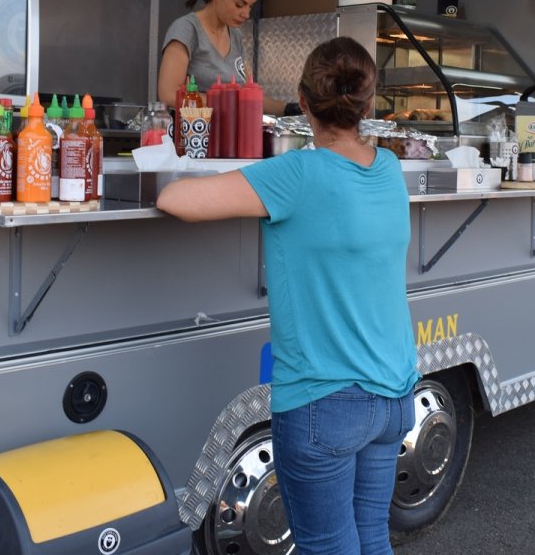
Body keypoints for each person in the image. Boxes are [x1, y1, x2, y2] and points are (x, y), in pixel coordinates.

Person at [156, 37, 418, 554]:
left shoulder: (296, 174)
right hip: (394, 393)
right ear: (368, 105)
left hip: (325, 403)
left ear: (302, 101)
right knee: (371, 536)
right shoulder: (389, 169)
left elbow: (174, 199)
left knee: (329, 547)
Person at [157, 0, 287, 114]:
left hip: (231, 126)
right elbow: (168, 94)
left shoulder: (235, 35)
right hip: (195, 127)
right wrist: (227, 102)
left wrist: (289, 109)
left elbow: (247, 96)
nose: (246, 14)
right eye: (239, 4)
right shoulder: (186, 29)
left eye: (250, 6)